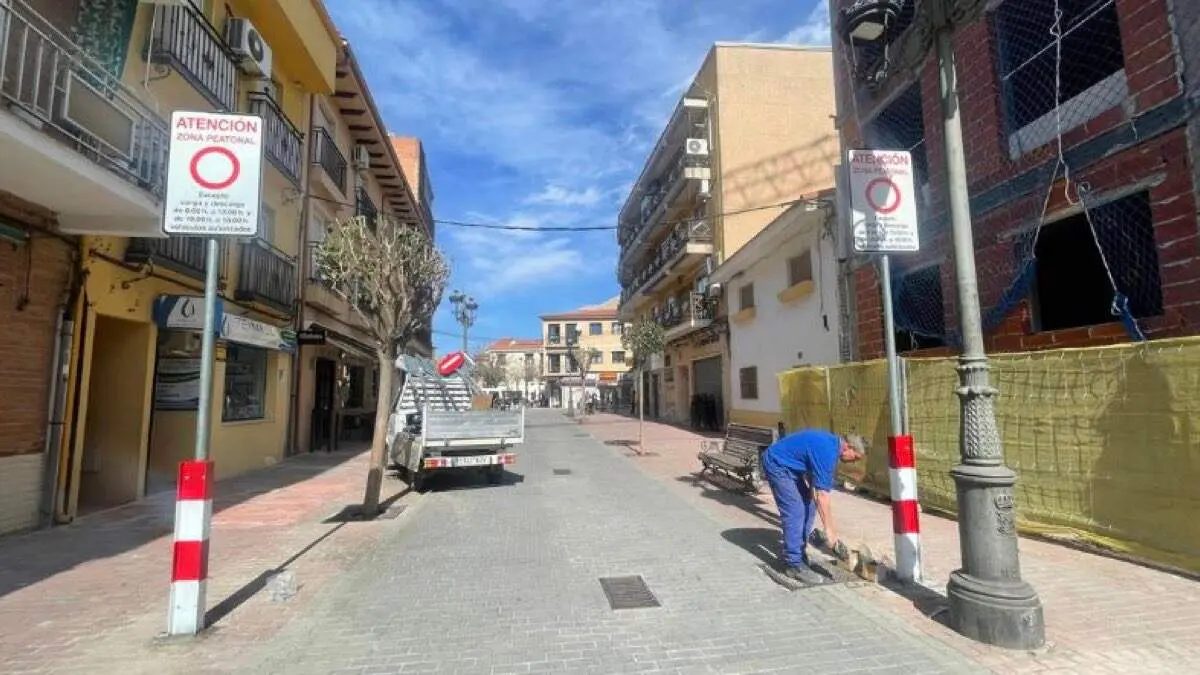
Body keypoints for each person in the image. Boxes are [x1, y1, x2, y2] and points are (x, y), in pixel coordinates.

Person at [761, 427, 865, 584]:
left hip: (790, 468)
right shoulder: (828, 452)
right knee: (795, 511)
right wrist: (830, 531)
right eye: (855, 457)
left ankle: (799, 552)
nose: (854, 461)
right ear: (848, 447)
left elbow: (814, 479)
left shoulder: (830, 446)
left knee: (808, 505)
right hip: (777, 464)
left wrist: (812, 495)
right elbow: (823, 496)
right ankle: (793, 564)